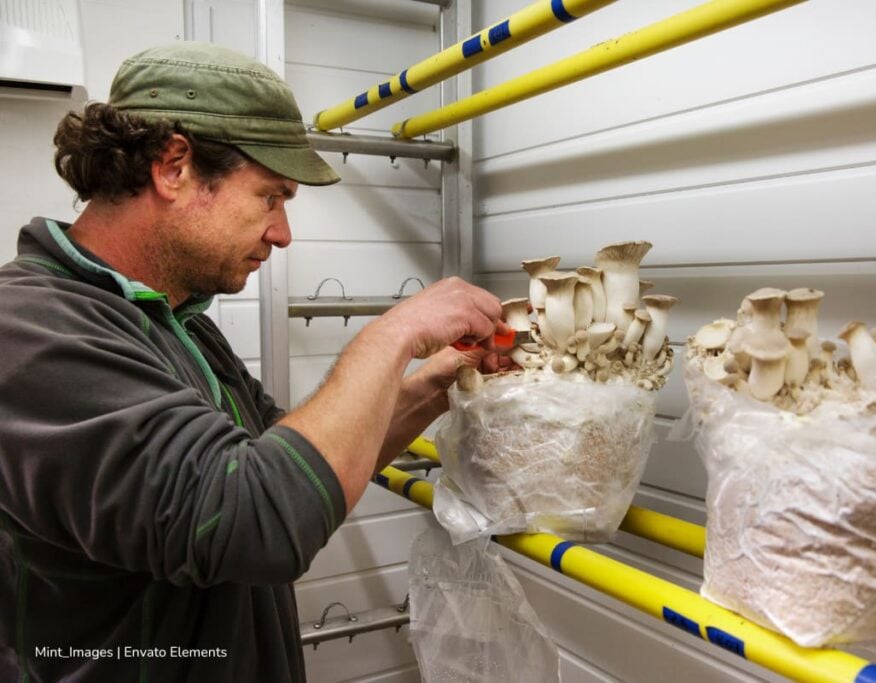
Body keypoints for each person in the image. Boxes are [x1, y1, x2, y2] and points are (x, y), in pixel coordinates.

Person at [0, 42, 508, 682]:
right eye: (271, 196)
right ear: (174, 166)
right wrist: (394, 334)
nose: (282, 232)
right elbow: (254, 521)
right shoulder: (28, 331)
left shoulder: (172, 322)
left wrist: (438, 385)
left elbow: (291, 471)